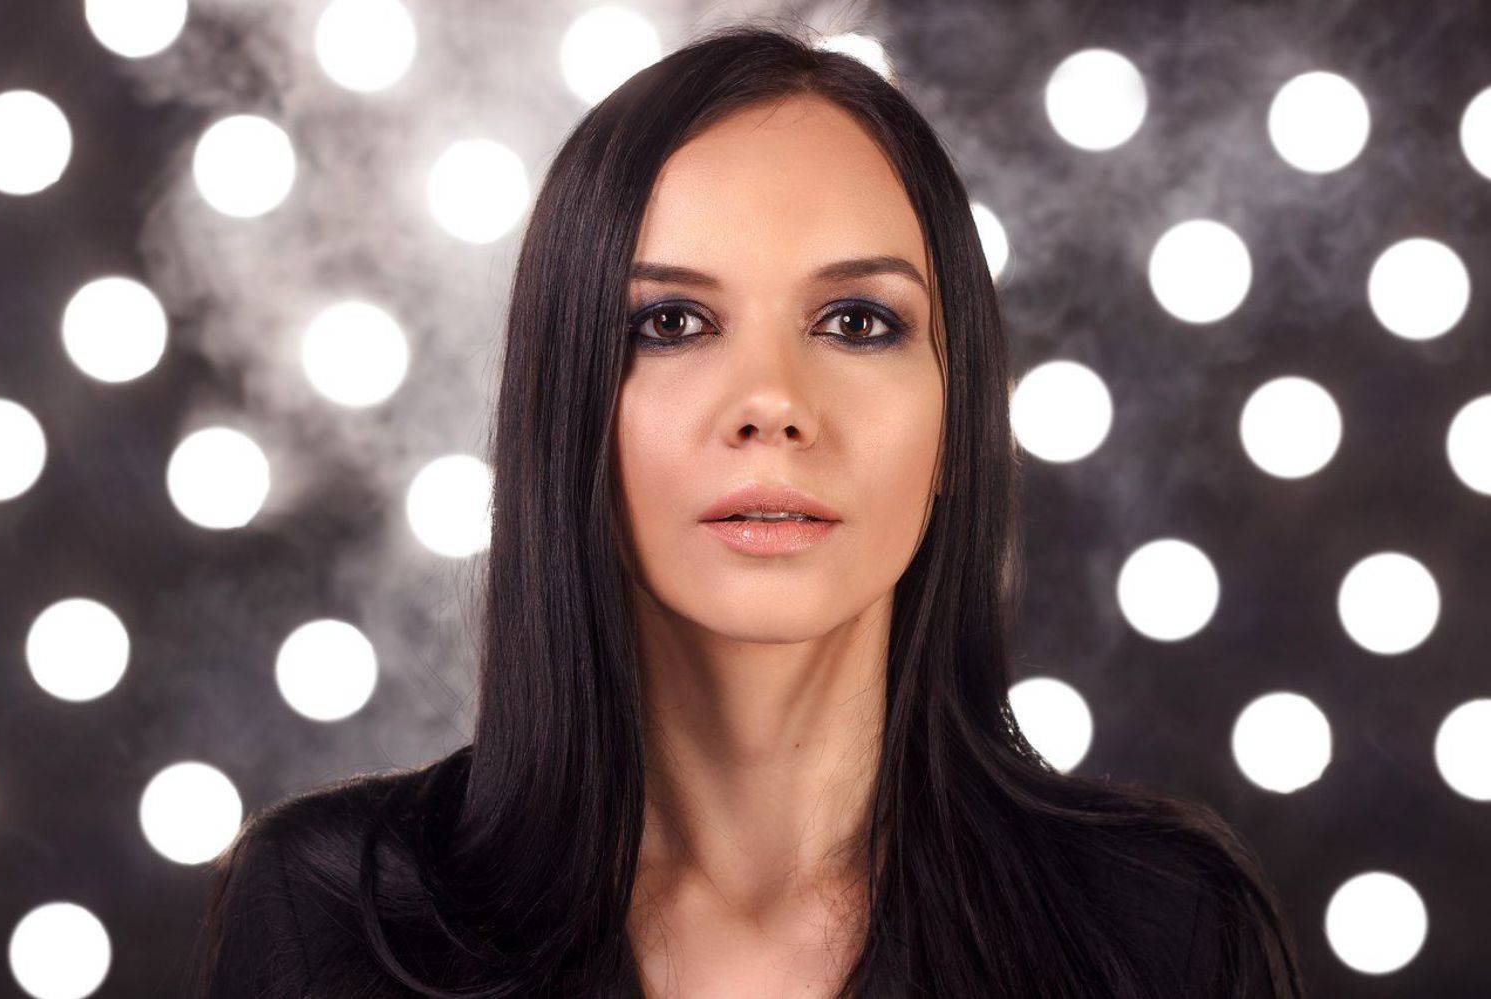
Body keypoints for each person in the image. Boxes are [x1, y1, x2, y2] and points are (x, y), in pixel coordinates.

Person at [186, 18, 1306, 998]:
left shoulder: (1158, 927)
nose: (773, 402)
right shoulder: (331, 914)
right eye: (671, 324)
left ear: (957, 424)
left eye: (858, 323)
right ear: (565, 412)